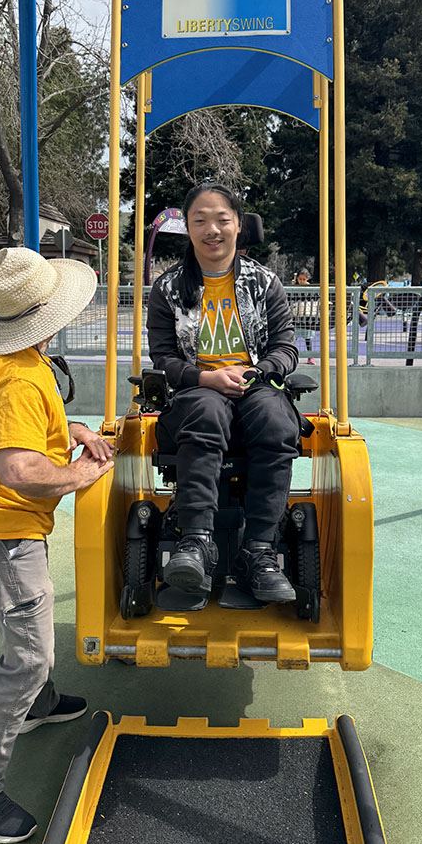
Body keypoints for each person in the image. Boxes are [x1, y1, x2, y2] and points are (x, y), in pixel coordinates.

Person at [0, 247, 114, 844]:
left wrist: (73, 430)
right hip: (1, 530)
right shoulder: (17, 377)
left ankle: (39, 705)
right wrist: (80, 475)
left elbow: (15, 429)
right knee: (27, 655)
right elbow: (16, 467)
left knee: (22, 631)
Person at [147, 181, 301, 604]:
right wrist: (205, 377)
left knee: (275, 420)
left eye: (222, 219)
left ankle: (259, 551)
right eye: (200, 220)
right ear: (188, 229)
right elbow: (162, 356)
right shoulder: (168, 289)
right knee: (206, 412)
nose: (212, 229)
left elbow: (286, 349)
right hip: (198, 391)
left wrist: (257, 371)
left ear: (239, 226)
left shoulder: (264, 283)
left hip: (254, 386)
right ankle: (196, 541)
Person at [290, 267, 319, 364]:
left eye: (304, 279)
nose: (301, 281)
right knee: (293, 338)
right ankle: (290, 356)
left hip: (307, 317)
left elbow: (316, 299)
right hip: (296, 316)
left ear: (307, 279)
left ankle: (310, 357)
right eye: (300, 279)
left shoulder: (310, 288)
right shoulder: (294, 287)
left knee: (308, 338)